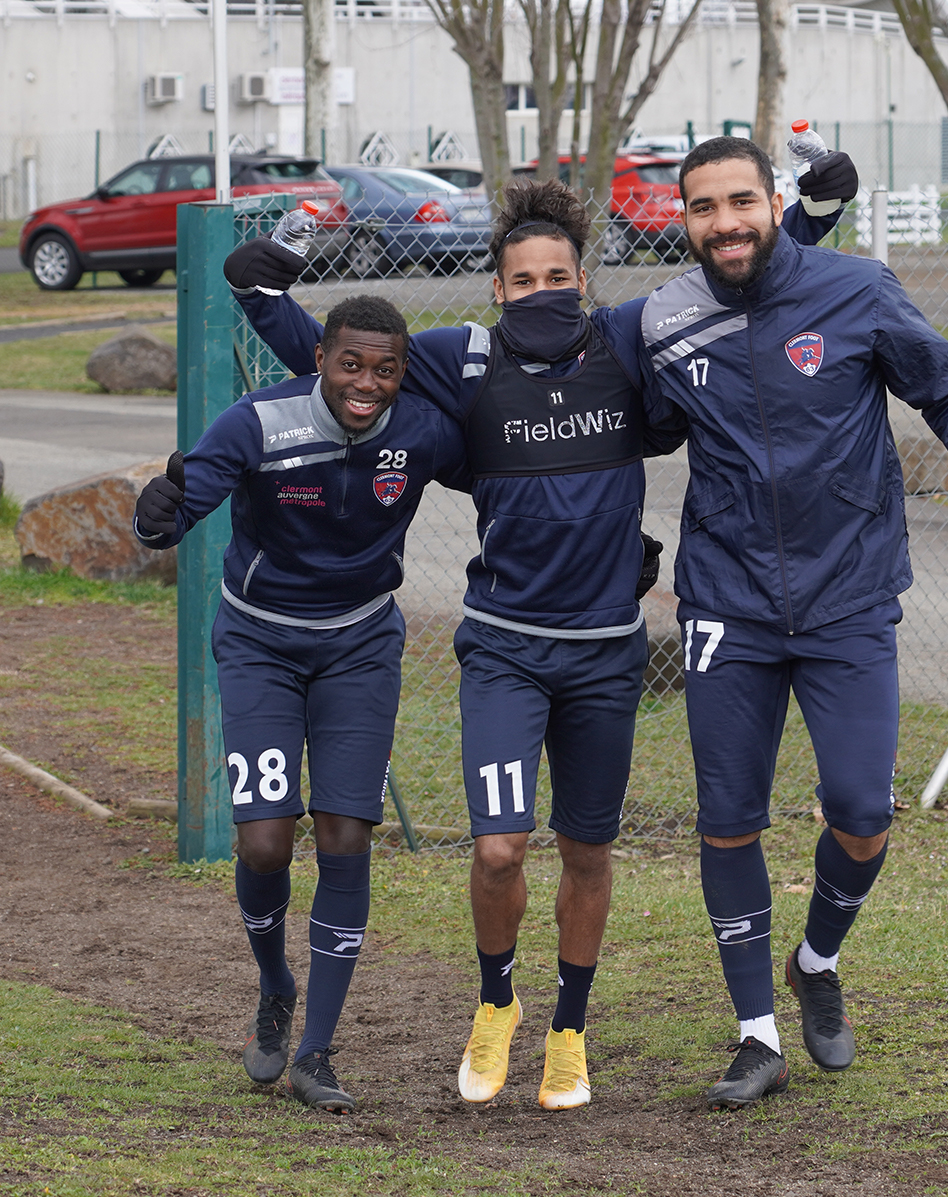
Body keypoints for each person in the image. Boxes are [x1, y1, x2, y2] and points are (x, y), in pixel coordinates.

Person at [222, 155, 861, 1111]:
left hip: (606, 652)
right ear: (496, 287)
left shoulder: (627, 344)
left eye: (557, 278)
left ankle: (569, 1029)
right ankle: (496, 1004)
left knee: (588, 852)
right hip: (503, 648)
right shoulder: (462, 357)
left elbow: (740, 288)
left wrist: (812, 214)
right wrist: (278, 266)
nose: (541, 292)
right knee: (497, 850)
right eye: (523, 280)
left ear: (583, 283)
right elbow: (341, 359)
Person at [635, 138, 948, 1108]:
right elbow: (603, 420)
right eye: (703, 208)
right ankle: (756, 1037)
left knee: (863, 811)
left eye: (740, 201)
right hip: (727, 608)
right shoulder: (662, 320)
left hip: (849, 602)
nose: (725, 222)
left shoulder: (856, 291)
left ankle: (816, 961)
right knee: (727, 821)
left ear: (771, 199)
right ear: (685, 219)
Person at [132, 295, 471, 1113]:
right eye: (351, 363)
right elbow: (183, 505)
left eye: (385, 369)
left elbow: (508, 479)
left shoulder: (422, 431)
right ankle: (276, 983)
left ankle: (316, 1052)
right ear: (319, 357)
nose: (367, 383)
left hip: (360, 645)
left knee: (347, 834)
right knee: (263, 844)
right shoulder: (259, 422)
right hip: (260, 644)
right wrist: (159, 514)